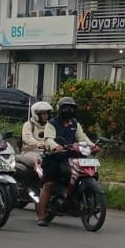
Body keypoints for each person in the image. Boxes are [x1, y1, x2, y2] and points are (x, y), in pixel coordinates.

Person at [36, 96, 84, 225]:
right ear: (60, 109)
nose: (69, 110)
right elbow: (48, 139)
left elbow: (82, 137)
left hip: (70, 157)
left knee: (81, 175)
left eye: (72, 108)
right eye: (66, 108)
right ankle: (41, 215)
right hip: (54, 157)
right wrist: (55, 146)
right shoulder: (52, 123)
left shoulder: (75, 123)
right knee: (49, 184)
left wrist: (92, 146)